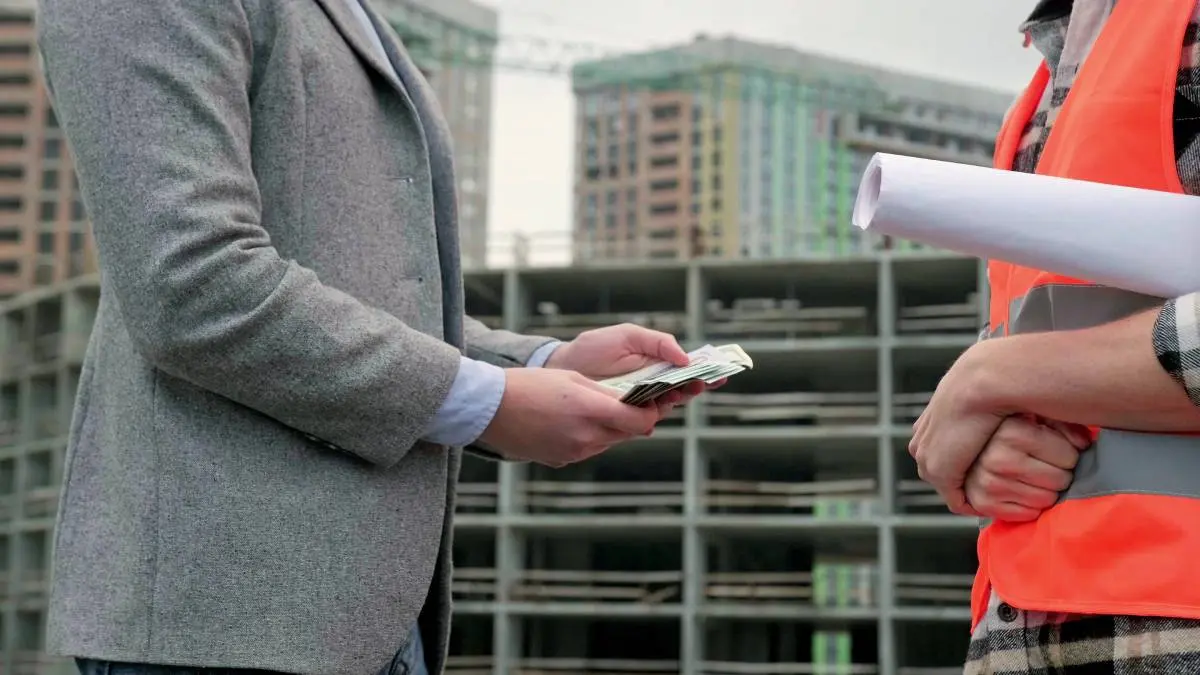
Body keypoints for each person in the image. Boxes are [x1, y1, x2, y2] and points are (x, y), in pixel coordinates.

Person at [35, 0, 711, 674]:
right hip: (223, 627)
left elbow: (366, 294)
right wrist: (490, 401)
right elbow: (193, 283)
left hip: (369, 626)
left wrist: (537, 362)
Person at [906, 0, 1200, 672]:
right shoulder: (1060, 62)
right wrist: (993, 441)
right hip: (1039, 625)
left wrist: (994, 376)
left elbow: (1020, 362)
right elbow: (1055, 326)